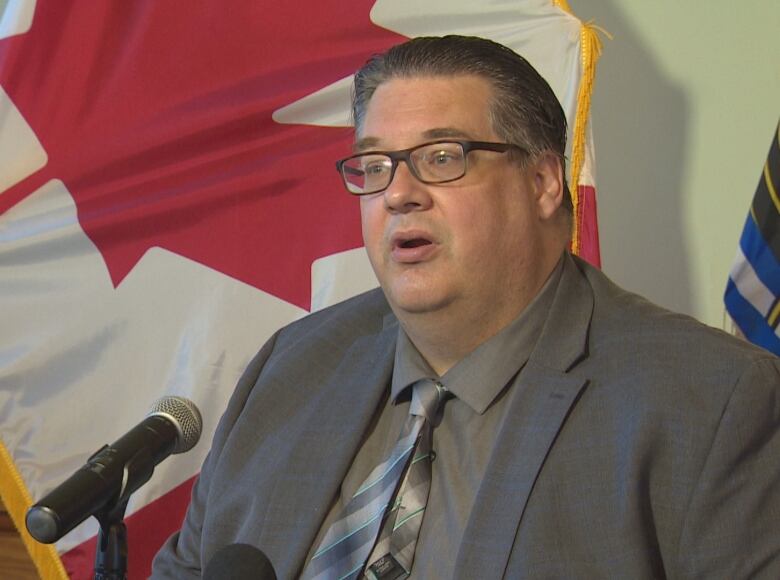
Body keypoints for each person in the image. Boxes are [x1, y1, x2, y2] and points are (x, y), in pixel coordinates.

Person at [151, 36, 780, 579]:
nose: (398, 193)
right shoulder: (292, 367)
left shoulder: (710, 399)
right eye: (375, 166)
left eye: (441, 158)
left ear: (542, 182)